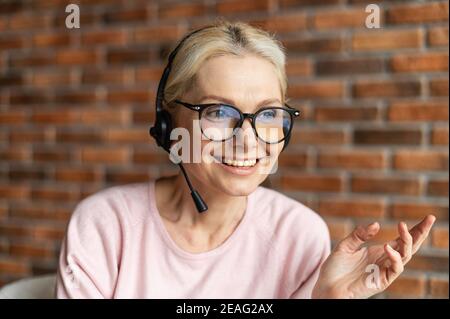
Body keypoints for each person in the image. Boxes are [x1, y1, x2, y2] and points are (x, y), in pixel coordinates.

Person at [55, 20, 435, 299]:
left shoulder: (299, 234)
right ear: (169, 123)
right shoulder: (103, 226)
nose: (247, 139)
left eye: (268, 114)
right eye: (220, 113)